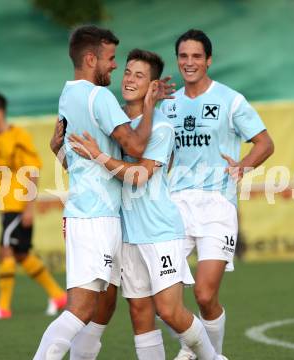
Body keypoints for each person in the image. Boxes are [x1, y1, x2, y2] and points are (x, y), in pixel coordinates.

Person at [71, 49, 228, 360]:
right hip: (127, 234)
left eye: (139, 75)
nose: (129, 79)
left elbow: (139, 175)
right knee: (140, 314)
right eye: (128, 72)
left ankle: (213, 357)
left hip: (159, 231)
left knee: (169, 311)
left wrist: (100, 157)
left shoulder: (161, 127)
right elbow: (84, 163)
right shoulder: (112, 122)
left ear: (153, 86)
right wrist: (59, 148)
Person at [33, 26, 172, 360]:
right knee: (80, 309)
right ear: (91, 58)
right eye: (111, 60)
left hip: (100, 215)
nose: (114, 66)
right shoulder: (99, 97)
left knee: (101, 306)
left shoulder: (68, 95)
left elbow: (79, 163)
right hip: (92, 218)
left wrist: (59, 152)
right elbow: (137, 145)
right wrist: (150, 105)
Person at [160, 29, 275, 359]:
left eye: (197, 56)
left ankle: (208, 353)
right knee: (159, 295)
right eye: (183, 56)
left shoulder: (231, 100)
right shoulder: (168, 104)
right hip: (175, 205)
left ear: (208, 60)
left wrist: (242, 166)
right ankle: (195, 349)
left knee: (204, 295)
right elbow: (162, 155)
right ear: (177, 60)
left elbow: (265, 143)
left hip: (216, 205)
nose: (189, 62)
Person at [0, 92, 67, 320]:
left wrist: (29, 207)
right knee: (21, 254)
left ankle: (3, 306)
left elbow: (32, 170)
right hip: (6, 205)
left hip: (19, 204)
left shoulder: (19, 136)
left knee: (5, 251)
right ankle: (58, 295)